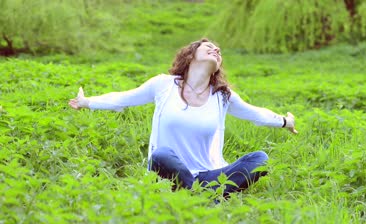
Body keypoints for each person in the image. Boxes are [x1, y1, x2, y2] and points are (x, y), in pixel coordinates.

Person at [69, 38, 297, 197]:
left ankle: (196, 192)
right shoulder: (163, 85)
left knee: (260, 159)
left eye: (219, 51)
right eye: (209, 47)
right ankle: (209, 197)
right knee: (160, 154)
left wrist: (285, 122)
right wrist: (87, 102)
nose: (216, 50)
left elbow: (255, 113)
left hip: (212, 175)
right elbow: (124, 98)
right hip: (167, 172)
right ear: (190, 55)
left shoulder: (222, 96)